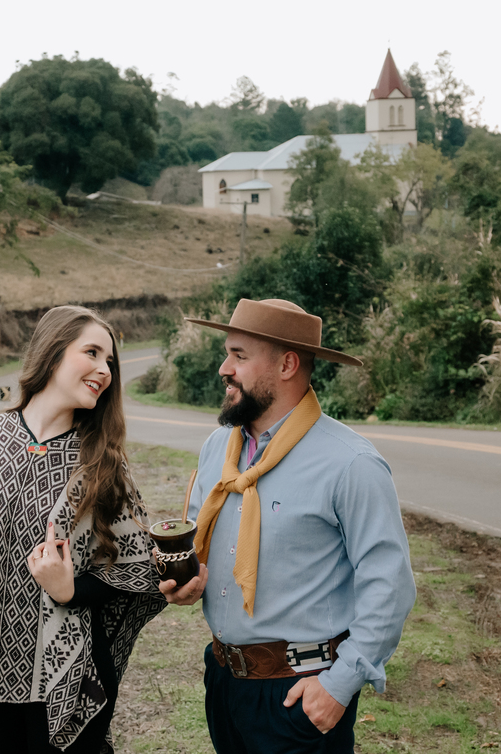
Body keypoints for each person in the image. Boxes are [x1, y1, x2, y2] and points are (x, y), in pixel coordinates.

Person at [158, 298, 416, 754]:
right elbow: (204, 543)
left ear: (287, 365)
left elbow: (389, 586)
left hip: (301, 692)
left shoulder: (351, 463)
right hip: (224, 680)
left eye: (239, 356)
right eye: (227, 353)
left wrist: (339, 685)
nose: (224, 368)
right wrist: (190, 582)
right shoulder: (218, 447)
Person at [0, 306, 167, 754]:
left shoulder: (103, 463)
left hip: (67, 675)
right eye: (92, 353)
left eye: (110, 361)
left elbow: (139, 572)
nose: (105, 370)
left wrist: (71, 590)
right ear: (52, 352)